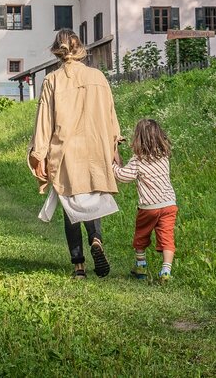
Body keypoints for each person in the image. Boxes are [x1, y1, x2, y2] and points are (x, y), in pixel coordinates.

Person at [28, 29, 123, 279]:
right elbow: (110, 115)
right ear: (80, 48)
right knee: (91, 201)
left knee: (71, 208)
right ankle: (97, 241)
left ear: (57, 50)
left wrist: (39, 154)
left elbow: (44, 122)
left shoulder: (52, 80)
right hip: (95, 148)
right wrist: (114, 145)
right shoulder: (98, 77)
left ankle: (79, 266)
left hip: (66, 151)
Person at [112, 118, 178, 283]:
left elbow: (123, 176)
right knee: (167, 237)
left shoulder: (138, 160)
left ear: (138, 139)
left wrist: (111, 165)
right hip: (169, 204)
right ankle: (165, 271)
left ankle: (141, 266)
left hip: (149, 206)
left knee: (141, 235)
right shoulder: (164, 157)